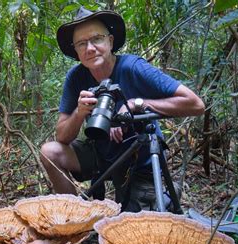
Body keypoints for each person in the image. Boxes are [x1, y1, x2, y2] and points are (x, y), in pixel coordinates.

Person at [40, 7, 205, 212]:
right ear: (76, 50)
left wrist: (137, 105)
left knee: (131, 227)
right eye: (82, 43)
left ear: (110, 41)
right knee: (50, 151)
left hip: (138, 160)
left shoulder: (133, 67)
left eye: (96, 39)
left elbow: (195, 104)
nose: (90, 48)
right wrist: (80, 112)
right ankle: (71, 215)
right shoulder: (76, 77)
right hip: (101, 153)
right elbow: (62, 137)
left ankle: (156, 195)